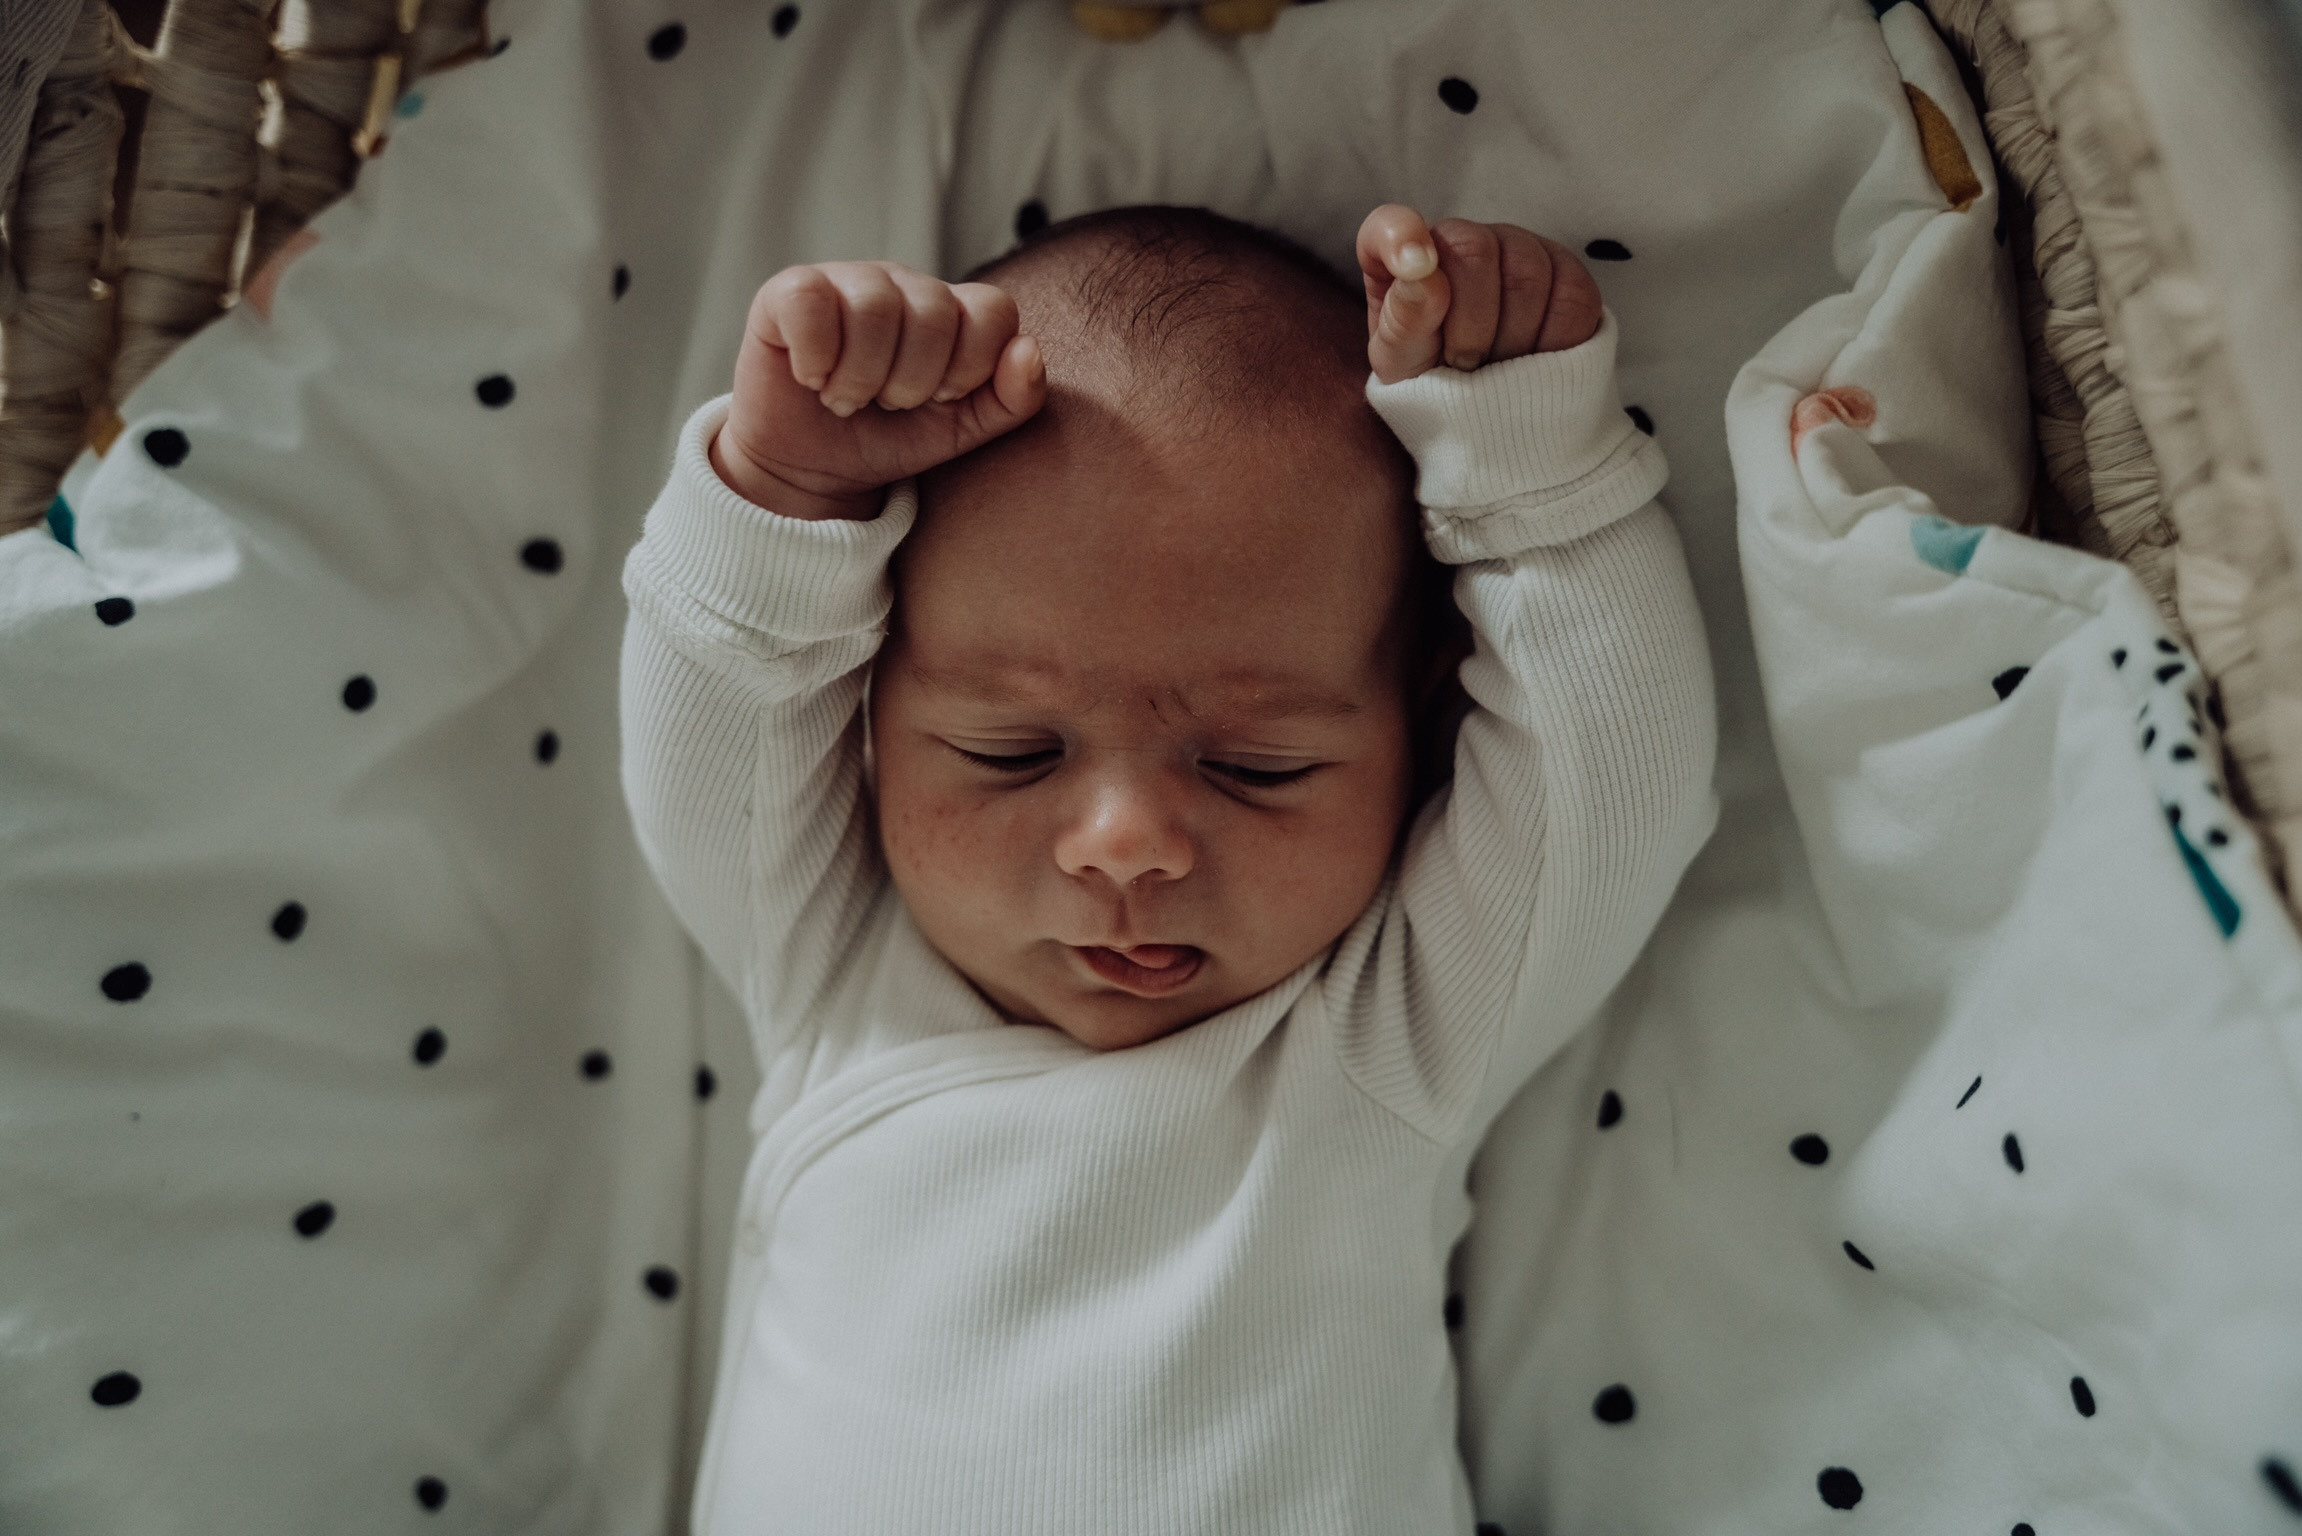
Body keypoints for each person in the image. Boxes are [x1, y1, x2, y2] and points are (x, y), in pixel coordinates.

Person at [620, 201, 1716, 1533]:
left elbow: (1611, 771)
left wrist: (1526, 461)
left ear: (1420, 729)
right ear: (862, 716)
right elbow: (711, 725)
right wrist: (785, 495)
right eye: (1012, 751)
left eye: (1257, 768)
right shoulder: (837, 973)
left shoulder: (1383, 1037)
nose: (1124, 849)